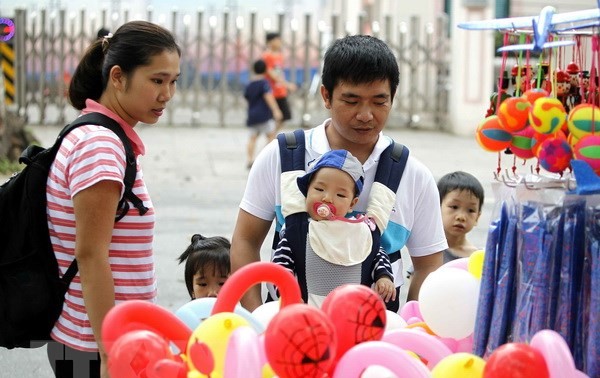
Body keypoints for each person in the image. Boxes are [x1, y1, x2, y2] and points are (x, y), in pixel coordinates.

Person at [231, 34, 446, 313]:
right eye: (352, 100)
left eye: (379, 101)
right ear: (326, 96)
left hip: (375, 343)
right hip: (287, 333)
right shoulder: (282, 156)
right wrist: (257, 318)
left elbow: (428, 264)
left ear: (393, 98)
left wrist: (409, 328)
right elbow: (245, 241)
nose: (366, 115)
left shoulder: (413, 175)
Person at [46, 20, 180, 378]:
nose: (167, 94)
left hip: (101, 341)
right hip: (93, 348)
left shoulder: (98, 135)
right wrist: (111, 353)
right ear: (118, 77)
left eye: (173, 81)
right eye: (157, 80)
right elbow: (91, 255)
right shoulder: (100, 146)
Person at [271, 149, 396, 307]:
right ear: (307, 191)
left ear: (352, 204)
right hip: (309, 316)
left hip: (352, 318)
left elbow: (377, 254)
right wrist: (288, 293)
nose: (327, 198)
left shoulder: (360, 232)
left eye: (340, 195)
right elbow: (281, 267)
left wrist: (384, 276)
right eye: (319, 189)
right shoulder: (299, 232)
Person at [244, 59, 283, 169]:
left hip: (252, 115)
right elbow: (268, 97)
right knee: (271, 136)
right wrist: (276, 110)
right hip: (264, 116)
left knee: (252, 138)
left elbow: (247, 98)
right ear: (265, 70)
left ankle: (250, 159)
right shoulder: (264, 83)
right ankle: (265, 160)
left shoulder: (250, 84)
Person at [437, 171, 484, 262]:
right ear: (437, 209)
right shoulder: (428, 252)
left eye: (471, 210)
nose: (461, 217)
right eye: (454, 207)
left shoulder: (478, 258)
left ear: (477, 217)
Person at [178, 234, 231, 299]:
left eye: (222, 283)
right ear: (192, 290)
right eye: (203, 284)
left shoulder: (242, 309)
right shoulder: (187, 309)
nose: (212, 293)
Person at [262, 31, 296, 132]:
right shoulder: (266, 56)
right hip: (271, 92)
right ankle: (270, 138)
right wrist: (287, 85)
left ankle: (272, 136)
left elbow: (279, 73)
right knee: (274, 117)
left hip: (280, 91)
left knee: (284, 116)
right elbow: (271, 74)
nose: (280, 42)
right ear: (270, 42)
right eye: (277, 40)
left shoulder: (279, 56)